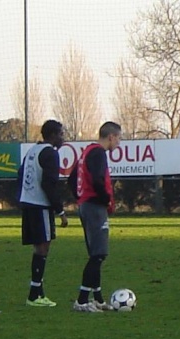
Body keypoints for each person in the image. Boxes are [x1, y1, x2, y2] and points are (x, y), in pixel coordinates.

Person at [68, 121, 122, 312]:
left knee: (96, 254)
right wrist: (105, 199)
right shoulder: (98, 153)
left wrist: (80, 197)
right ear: (111, 137)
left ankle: (97, 299)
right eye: (119, 138)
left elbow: (71, 179)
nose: (119, 143)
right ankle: (82, 300)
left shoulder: (87, 151)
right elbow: (98, 180)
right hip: (94, 207)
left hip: (86, 205)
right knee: (98, 255)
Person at [18, 120, 69, 307]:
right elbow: (49, 184)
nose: (63, 138)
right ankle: (34, 295)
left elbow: (20, 174)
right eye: (61, 134)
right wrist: (61, 211)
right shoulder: (50, 154)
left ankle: (37, 292)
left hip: (28, 204)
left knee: (38, 248)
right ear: (53, 135)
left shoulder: (32, 150)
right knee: (43, 248)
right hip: (40, 205)